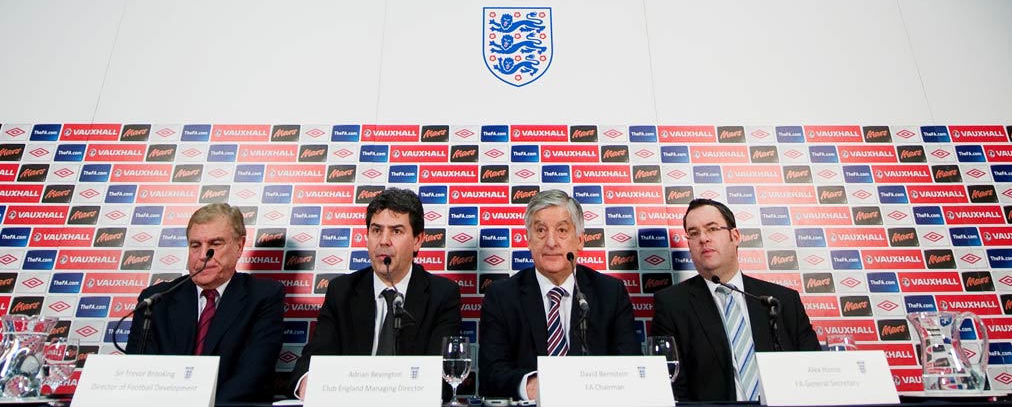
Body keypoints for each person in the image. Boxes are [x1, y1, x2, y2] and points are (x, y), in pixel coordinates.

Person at [290, 188, 462, 398]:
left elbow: (441, 377)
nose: (384, 241)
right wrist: (309, 380)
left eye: (396, 231)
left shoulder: (442, 295)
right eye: (376, 230)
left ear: (418, 240)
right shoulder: (341, 291)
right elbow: (314, 357)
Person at [651, 198, 820, 402]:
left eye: (712, 229)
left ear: (735, 236)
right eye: (694, 233)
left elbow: (813, 373)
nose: (703, 239)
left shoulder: (782, 301)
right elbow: (673, 388)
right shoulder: (672, 305)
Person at [478, 189, 641, 400]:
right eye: (540, 230)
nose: (551, 242)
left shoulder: (610, 293)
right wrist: (531, 385)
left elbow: (630, 369)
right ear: (528, 240)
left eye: (562, 230)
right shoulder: (502, 297)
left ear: (580, 241)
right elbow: (491, 376)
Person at [125, 203, 285, 403]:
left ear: (239, 246)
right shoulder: (157, 300)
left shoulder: (263, 297)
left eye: (215, 244)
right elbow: (139, 372)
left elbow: (253, 374)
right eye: (195, 245)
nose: (203, 255)